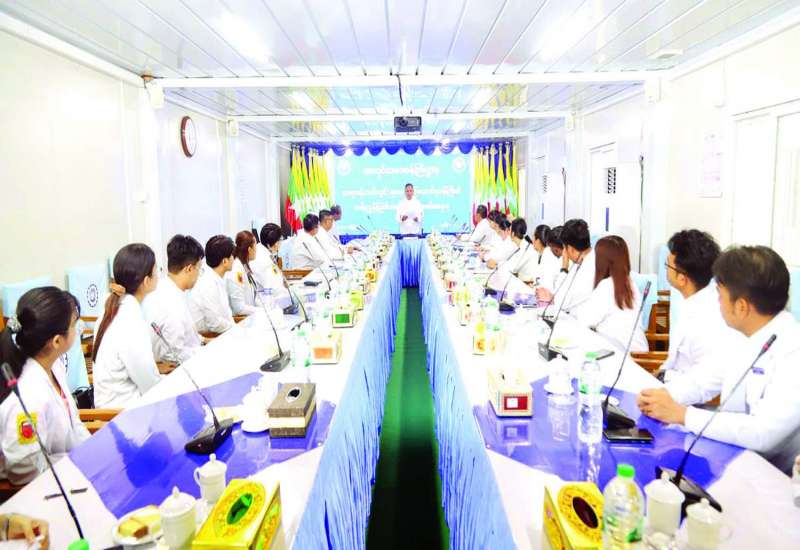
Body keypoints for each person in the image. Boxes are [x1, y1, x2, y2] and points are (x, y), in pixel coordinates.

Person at [637, 246, 800, 474]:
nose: (718, 303)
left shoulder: (792, 350)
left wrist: (684, 415)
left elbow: (763, 433)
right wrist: (662, 397)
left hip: (772, 475)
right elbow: (706, 379)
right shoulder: (745, 335)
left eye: (720, 296)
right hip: (733, 459)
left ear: (741, 306)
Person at [0, 287, 90, 485]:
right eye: (74, 324)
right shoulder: (28, 395)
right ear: (57, 341)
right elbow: (24, 471)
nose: (79, 328)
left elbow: (74, 424)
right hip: (41, 489)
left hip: (68, 469)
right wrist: (73, 467)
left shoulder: (53, 366)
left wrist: (92, 452)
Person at [658, 230, 741, 381]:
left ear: (682, 279)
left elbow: (707, 379)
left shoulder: (708, 317)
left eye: (667, 266)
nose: (665, 270)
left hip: (686, 391)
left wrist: (664, 376)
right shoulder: (693, 301)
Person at [92, 244, 162, 408]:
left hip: (115, 405)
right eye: (156, 270)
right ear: (146, 281)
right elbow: (148, 383)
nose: (159, 274)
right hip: (124, 412)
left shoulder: (111, 310)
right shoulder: (130, 322)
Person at [573, 236, 648, 352]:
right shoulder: (630, 283)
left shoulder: (607, 286)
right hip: (638, 351)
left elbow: (584, 320)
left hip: (621, 354)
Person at [143, 235, 204, 364]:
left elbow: (186, 336)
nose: (199, 274)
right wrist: (205, 352)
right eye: (199, 268)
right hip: (180, 367)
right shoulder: (172, 303)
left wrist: (203, 341)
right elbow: (173, 354)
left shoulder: (165, 287)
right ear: (189, 269)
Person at [536, 219, 595, 315]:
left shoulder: (588, 269)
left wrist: (564, 267)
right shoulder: (584, 261)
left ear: (570, 249)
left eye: (564, 248)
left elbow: (562, 301)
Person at [189, 235, 236, 334]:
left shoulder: (217, 278)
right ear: (224, 261)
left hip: (222, 333)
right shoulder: (208, 283)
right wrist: (238, 330)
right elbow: (215, 324)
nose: (233, 259)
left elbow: (226, 316)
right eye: (232, 255)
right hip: (211, 337)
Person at [226, 230, 261, 317]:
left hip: (250, 315)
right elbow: (239, 308)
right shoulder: (236, 270)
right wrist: (262, 311)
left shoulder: (245, 265)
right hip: (241, 319)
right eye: (255, 246)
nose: (256, 250)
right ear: (249, 249)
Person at [531, 224, 561, 290]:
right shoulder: (543, 254)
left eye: (533, 236)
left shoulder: (548, 257)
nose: (532, 240)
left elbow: (546, 286)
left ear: (538, 241)